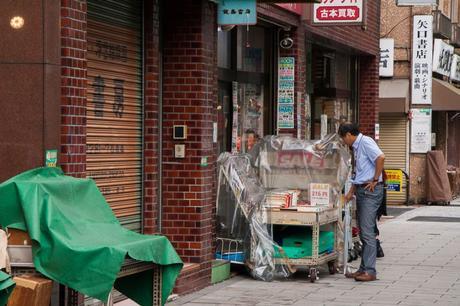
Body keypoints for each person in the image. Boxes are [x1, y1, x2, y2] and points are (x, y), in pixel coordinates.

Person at [340, 122, 385, 282]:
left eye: (343, 139)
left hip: (370, 191)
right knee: (363, 231)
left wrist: (374, 179)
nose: (344, 142)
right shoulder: (357, 147)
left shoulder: (365, 142)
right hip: (362, 190)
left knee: (367, 233)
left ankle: (370, 271)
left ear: (348, 135)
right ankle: (363, 269)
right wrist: (351, 192)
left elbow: (381, 157)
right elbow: (359, 172)